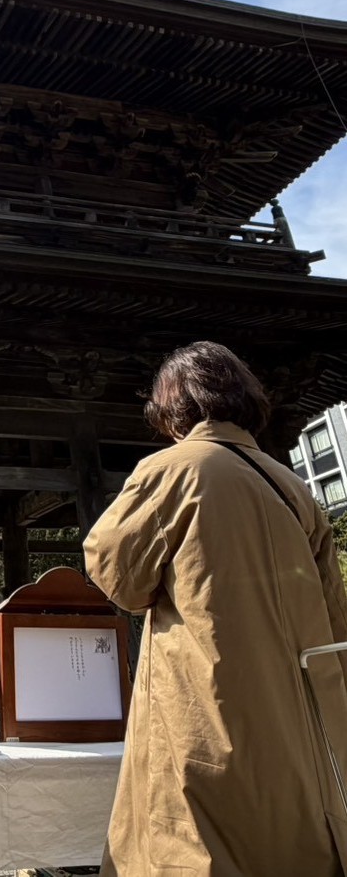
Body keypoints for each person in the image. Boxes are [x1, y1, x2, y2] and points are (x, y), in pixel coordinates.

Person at [83, 341, 347, 876]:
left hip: (203, 704)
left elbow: (116, 574)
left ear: (173, 406)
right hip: (297, 716)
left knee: (194, 846)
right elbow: (335, 618)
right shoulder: (293, 487)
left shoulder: (171, 470)